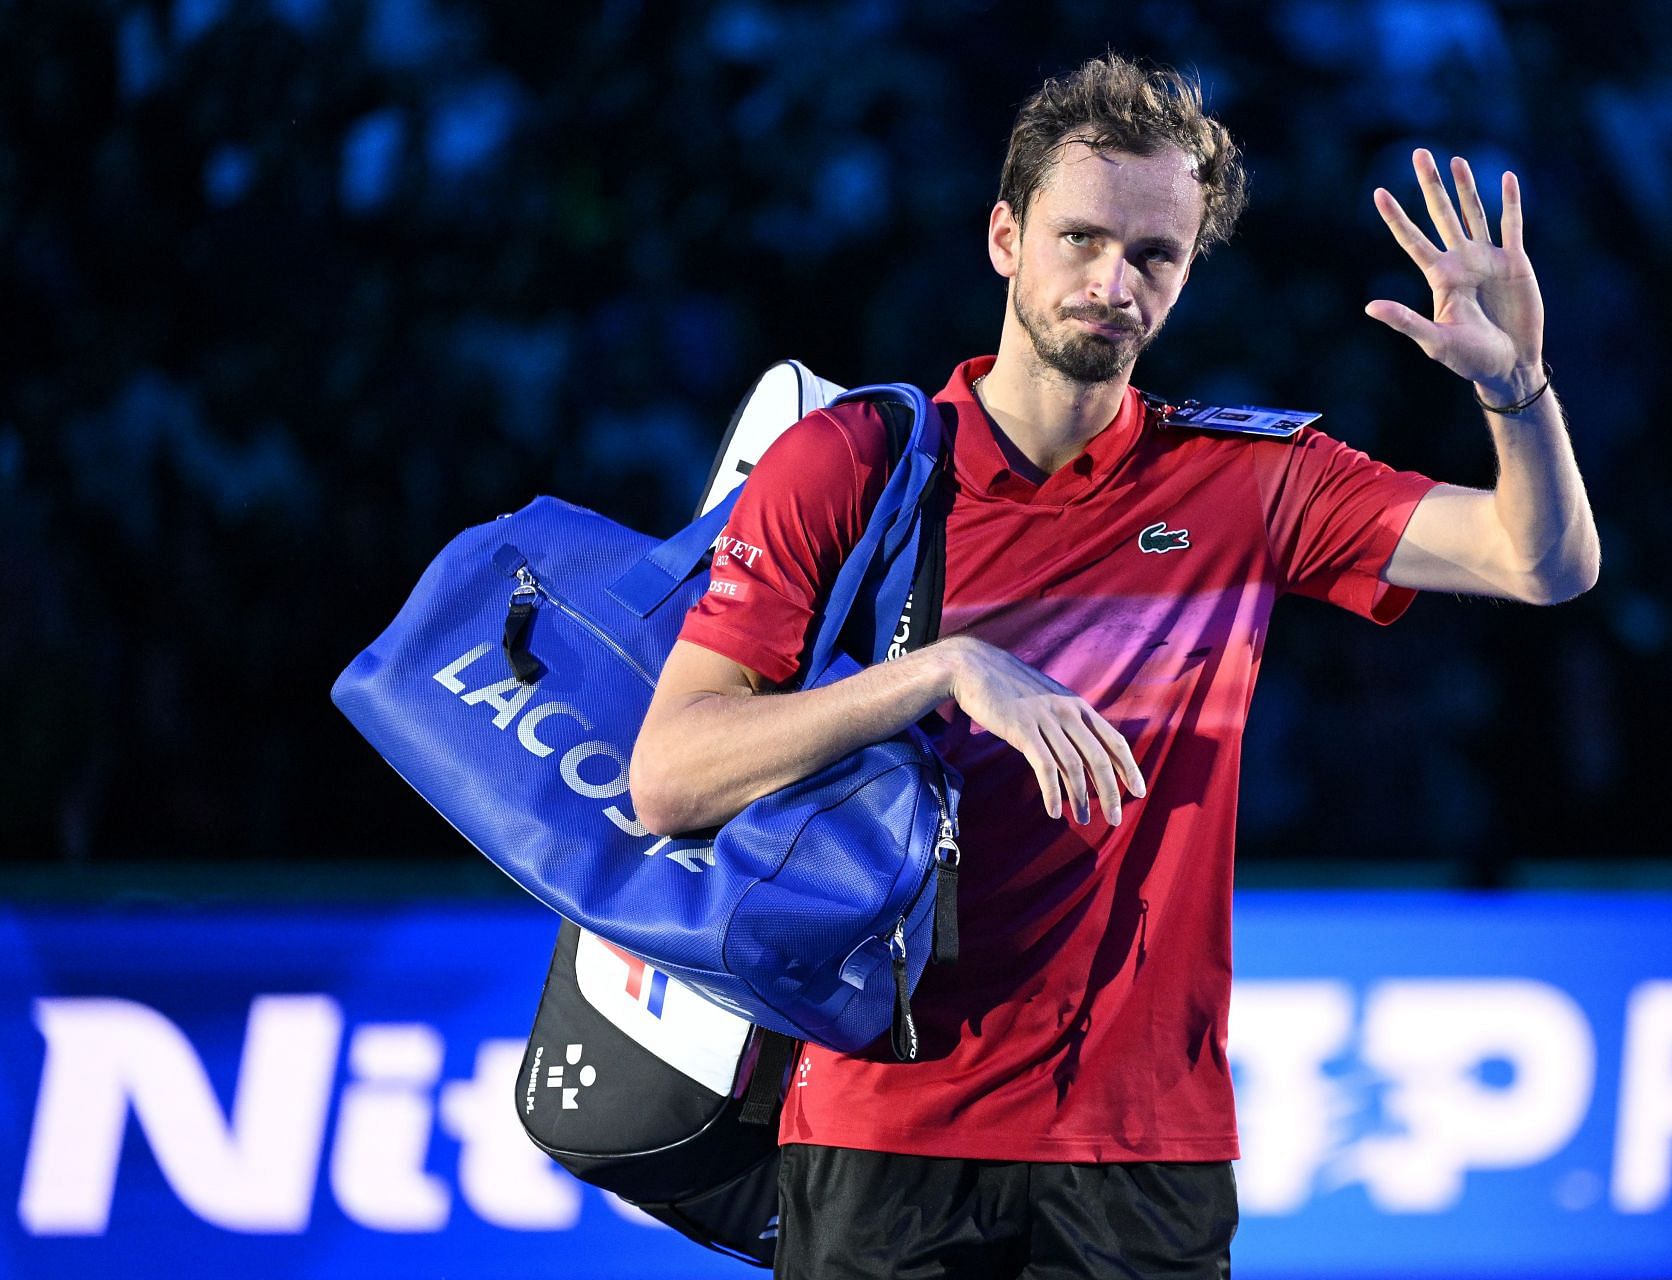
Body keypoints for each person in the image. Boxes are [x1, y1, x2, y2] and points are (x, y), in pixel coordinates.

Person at [629, 52, 1597, 1280]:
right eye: (1080, 236)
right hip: (886, 1125)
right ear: (1003, 237)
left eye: (1155, 256)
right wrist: (941, 672)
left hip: (1146, 1154)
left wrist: (1520, 393)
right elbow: (670, 774)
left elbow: (1540, 562)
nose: (1112, 280)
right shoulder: (852, 464)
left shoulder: (1251, 482)